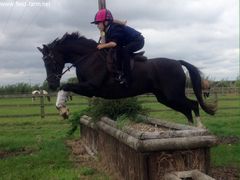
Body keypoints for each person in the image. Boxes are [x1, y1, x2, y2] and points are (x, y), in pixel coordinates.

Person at [91, 8, 144, 86]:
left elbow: (113, 44)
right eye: (96, 24)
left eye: (98, 23)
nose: (97, 26)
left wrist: (102, 46)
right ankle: (118, 73)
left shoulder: (115, 28)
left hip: (138, 41)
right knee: (117, 51)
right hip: (129, 42)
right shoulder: (105, 30)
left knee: (124, 51)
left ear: (105, 22)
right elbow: (104, 43)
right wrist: (102, 42)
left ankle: (127, 78)